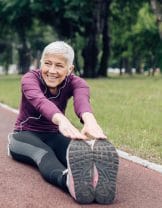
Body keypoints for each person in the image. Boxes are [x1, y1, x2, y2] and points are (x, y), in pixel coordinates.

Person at [8, 41, 119, 204]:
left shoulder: (78, 83)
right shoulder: (29, 79)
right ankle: (68, 182)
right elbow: (40, 102)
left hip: (53, 135)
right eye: (47, 64)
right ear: (40, 64)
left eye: (59, 66)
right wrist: (61, 120)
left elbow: (82, 102)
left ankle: (95, 180)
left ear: (70, 69)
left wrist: (90, 121)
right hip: (23, 135)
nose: (52, 71)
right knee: (45, 154)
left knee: (78, 150)